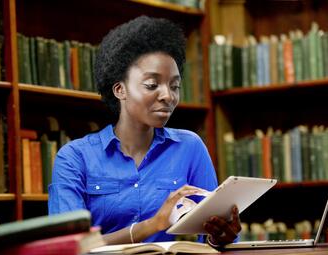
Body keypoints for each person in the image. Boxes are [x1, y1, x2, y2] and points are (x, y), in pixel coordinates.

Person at [48, 15, 241, 247]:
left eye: (175, 86)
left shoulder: (190, 147)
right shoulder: (74, 158)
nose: (168, 96)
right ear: (120, 89)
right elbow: (66, 247)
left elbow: (211, 238)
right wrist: (153, 224)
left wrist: (220, 235)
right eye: (152, 85)